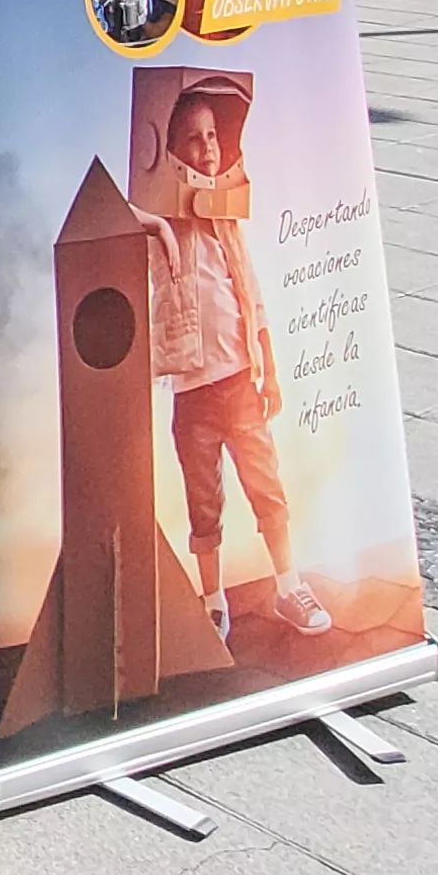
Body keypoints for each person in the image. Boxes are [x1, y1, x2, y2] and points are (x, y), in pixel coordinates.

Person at [130, 74, 327, 647]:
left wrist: (268, 364)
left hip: (240, 381)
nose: (208, 148)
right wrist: (151, 214)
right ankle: (212, 599)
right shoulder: (165, 222)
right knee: (204, 502)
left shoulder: (225, 218)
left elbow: (251, 293)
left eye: (213, 135)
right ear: (168, 150)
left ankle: (288, 585)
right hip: (194, 390)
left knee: (267, 487)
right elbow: (129, 221)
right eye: (192, 139)